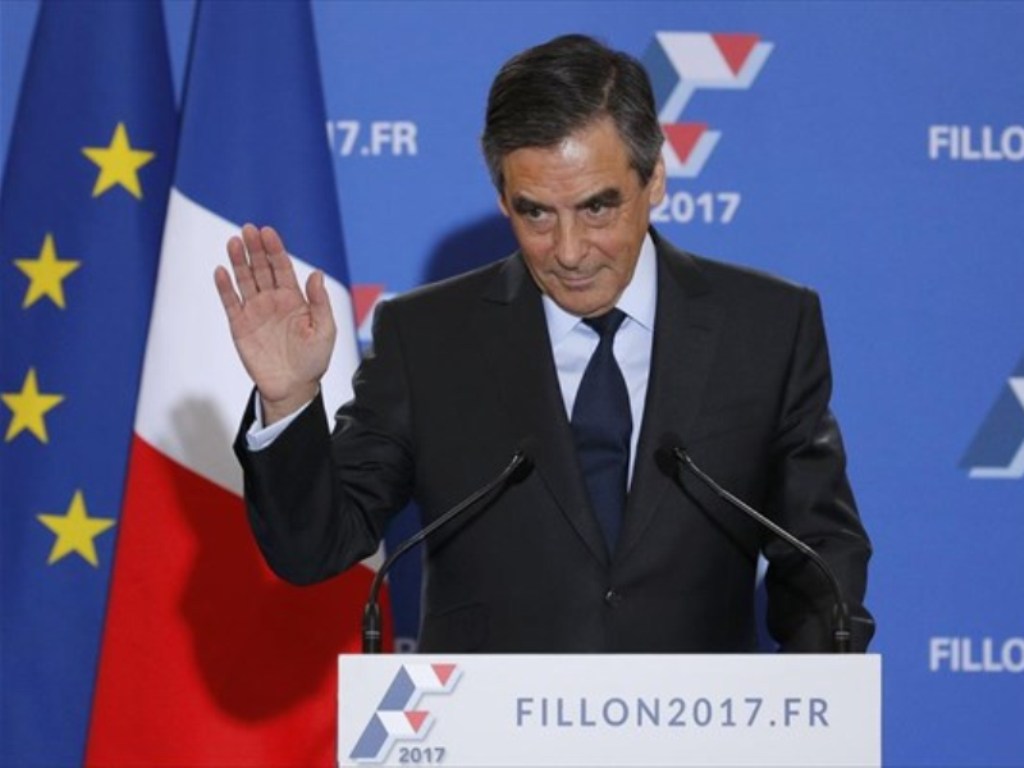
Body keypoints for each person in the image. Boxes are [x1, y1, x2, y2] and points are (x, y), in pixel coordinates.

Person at [214, 34, 873, 653]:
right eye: (536, 213)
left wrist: (816, 699)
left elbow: (820, 555)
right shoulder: (427, 338)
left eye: (597, 208)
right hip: (485, 722)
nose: (569, 251)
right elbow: (314, 549)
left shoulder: (765, 328)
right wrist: (289, 399)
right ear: (503, 198)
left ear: (655, 180)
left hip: (697, 722)